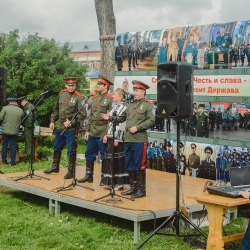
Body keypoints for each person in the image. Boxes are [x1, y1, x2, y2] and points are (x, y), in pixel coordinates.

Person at [102, 80, 155, 199]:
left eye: (137, 91)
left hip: (139, 140)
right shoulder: (130, 105)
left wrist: (138, 127)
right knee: (129, 164)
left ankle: (141, 190)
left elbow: (151, 120)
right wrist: (110, 117)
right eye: (134, 90)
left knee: (139, 165)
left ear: (143, 92)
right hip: (128, 139)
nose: (135, 93)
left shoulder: (148, 105)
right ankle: (133, 187)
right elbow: (121, 118)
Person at [43, 77, 86, 179]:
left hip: (71, 128)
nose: (71, 87)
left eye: (73, 85)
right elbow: (56, 109)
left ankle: (71, 171)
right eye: (69, 85)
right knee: (57, 147)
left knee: (71, 150)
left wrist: (72, 123)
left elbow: (83, 114)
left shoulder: (79, 97)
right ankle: (55, 167)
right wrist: (52, 121)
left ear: (75, 86)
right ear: (65, 85)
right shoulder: (61, 94)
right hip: (60, 126)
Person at [78, 76, 113, 183]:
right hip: (93, 130)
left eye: (99, 84)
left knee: (104, 156)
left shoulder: (110, 99)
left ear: (105, 86)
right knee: (89, 153)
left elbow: (111, 119)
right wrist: (88, 130)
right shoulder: (95, 98)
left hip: (103, 130)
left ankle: (105, 177)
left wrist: (107, 133)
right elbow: (91, 116)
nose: (97, 86)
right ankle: (89, 176)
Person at [100, 88, 129, 190]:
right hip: (110, 136)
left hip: (117, 137)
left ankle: (119, 183)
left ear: (121, 96)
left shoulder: (124, 107)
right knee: (110, 159)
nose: (113, 96)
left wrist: (118, 139)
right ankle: (110, 181)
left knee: (118, 160)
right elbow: (110, 122)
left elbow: (122, 124)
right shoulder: (115, 107)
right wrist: (105, 135)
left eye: (115, 94)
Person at [0, 97, 24, 166]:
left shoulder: (5, 108)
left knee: (4, 145)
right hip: (15, 131)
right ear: (16, 102)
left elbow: (0, 118)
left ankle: (4, 161)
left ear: (9, 102)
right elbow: (22, 120)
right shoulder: (20, 110)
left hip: (5, 131)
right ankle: (12, 162)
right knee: (13, 146)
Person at [18, 96, 35, 163]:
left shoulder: (28, 107)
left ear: (24, 101)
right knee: (28, 143)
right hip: (28, 127)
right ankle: (29, 157)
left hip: (28, 128)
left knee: (29, 143)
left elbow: (30, 118)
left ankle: (30, 159)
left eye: (21, 102)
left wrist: (28, 126)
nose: (21, 103)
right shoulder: (28, 106)